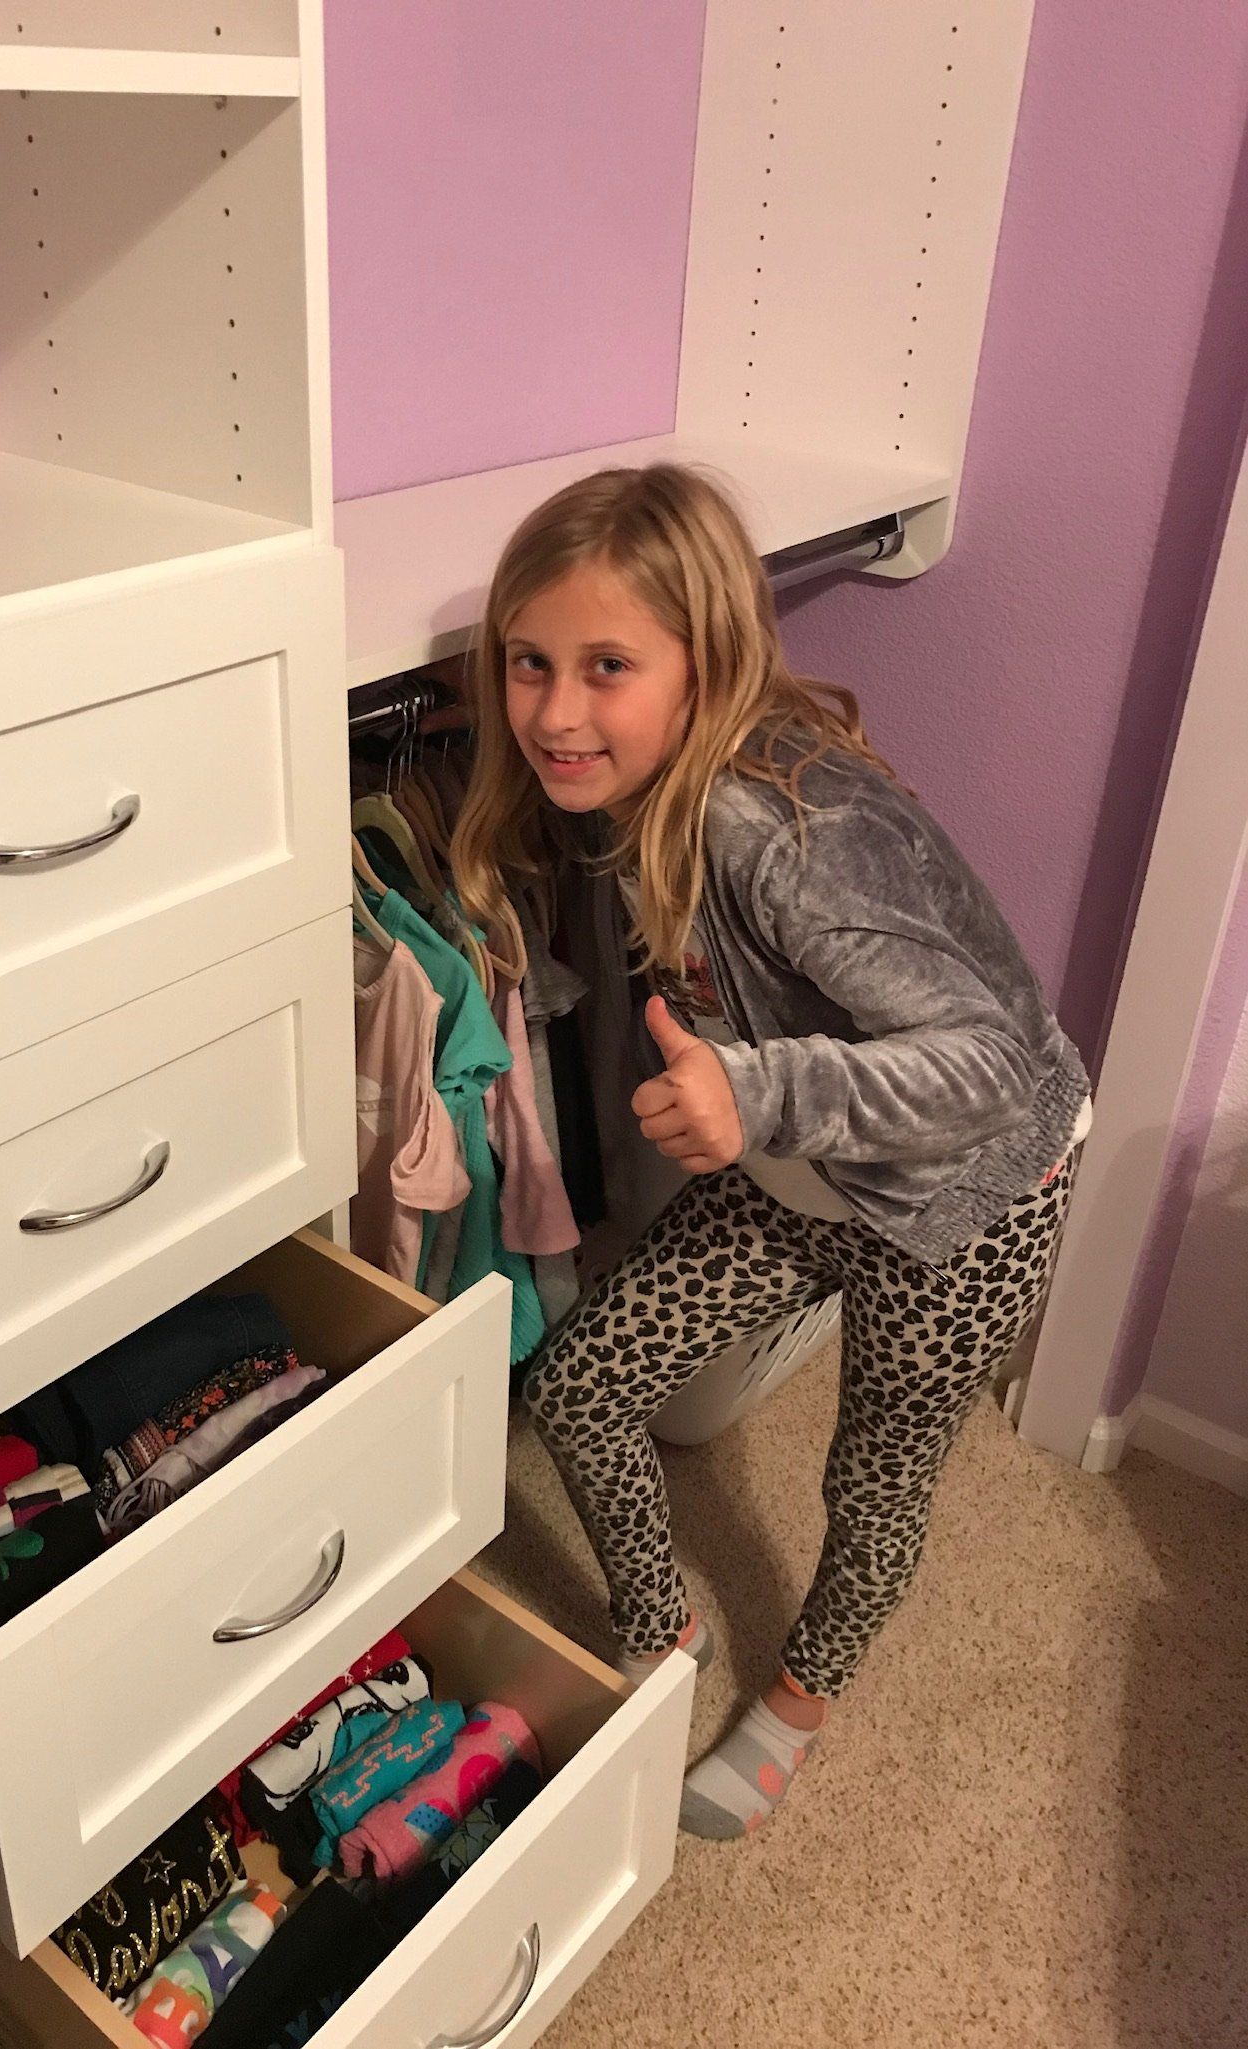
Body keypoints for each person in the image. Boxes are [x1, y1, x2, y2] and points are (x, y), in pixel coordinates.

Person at [449, 463, 1091, 1840]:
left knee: (871, 1473)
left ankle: (796, 1699)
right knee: (583, 1385)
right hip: (809, 1167)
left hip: (965, 1197)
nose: (556, 711)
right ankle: (658, 1625)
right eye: (528, 663)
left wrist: (756, 1095)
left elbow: (981, 1063)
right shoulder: (639, 792)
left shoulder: (778, 825)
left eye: (605, 664)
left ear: (705, 658)